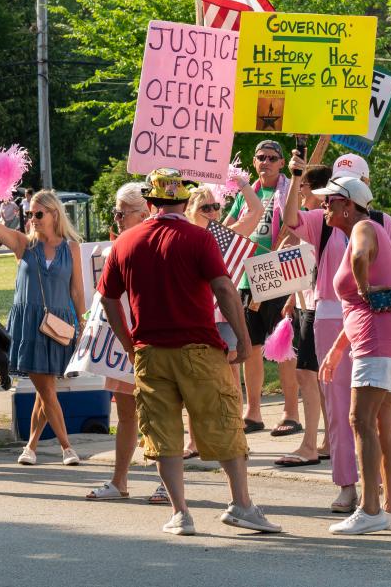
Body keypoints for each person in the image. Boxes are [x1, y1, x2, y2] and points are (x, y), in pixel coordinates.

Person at [98, 168, 282, 536]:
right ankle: (241, 504)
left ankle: (180, 512)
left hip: (150, 351)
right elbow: (225, 290)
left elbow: (107, 298)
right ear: (183, 202)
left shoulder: (125, 242)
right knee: (225, 424)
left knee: (164, 435)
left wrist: (129, 343)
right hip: (199, 348)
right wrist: (244, 340)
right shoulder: (198, 239)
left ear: (150, 204)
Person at [284, 151, 391, 513]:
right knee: (339, 409)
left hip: (369, 324)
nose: (330, 202)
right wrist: (295, 176)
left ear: (359, 191)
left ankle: (379, 491)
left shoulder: (380, 222)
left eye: (338, 194)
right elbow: (288, 220)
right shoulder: (322, 221)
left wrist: (367, 292)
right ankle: (349, 486)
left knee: (373, 413)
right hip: (332, 319)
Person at [313, 177, 391, 534]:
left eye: (329, 201)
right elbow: (354, 303)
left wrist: (364, 285)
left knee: (360, 421)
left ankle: (370, 511)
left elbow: (359, 259)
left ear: (348, 205)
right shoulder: (363, 228)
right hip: (382, 337)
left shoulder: (363, 227)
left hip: (376, 339)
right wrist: (339, 349)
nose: (324, 206)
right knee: (381, 423)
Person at [0, 191, 86, 467]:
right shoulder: (23, 244)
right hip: (30, 324)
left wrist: (83, 323)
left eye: (38, 214)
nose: (33, 219)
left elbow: (76, 291)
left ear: (55, 214)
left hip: (60, 325)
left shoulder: (71, 248)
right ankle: (67, 447)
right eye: (30, 214)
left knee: (47, 389)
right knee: (45, 388)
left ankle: (30, 447)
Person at [85, 182, 164, 502]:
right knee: (127, 414)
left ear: (145, 212)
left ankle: (166, 482)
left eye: (123, 212)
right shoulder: (116, 246)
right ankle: (119, 481)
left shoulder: (159, 242)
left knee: (161, 413)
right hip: (120, 340)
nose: (117, 218)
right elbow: (105, 295)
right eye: (115, 212)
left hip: (152, 337)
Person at [183, 180, 262, 457]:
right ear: (190, 209)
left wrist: (241, 184)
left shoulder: (225, 234)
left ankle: (236, 436)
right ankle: (193, 441)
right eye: (206, 207)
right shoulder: (184, 236)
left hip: (223, 315)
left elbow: (256, 210)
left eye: (216, 206)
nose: (213, 212)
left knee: (230, 378)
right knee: (194, 380)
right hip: (195, 315)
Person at [223, 140, 296, 436]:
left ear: (281, 163)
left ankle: (290, 412)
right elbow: (227, 227)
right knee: (250, 347)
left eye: (271, 158)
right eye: (260, 157)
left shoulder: (290, 191)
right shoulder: (247, 193)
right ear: (253, 162)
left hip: (279, 276)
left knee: (284, 347)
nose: (265, 162)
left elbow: (295, 229)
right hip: (246, 279)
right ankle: (252, 412)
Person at [274, 163, 333, 469]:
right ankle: (327, 439)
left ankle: (310, 444)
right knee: (316, 377)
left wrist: (295, 176)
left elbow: (290, 219)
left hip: (316, 307)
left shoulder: (320, 218)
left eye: (303, 189)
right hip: (306, 302)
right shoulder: (327, 219)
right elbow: (302, 265)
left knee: (308, 376)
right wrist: (290, 298)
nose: (300, 193)